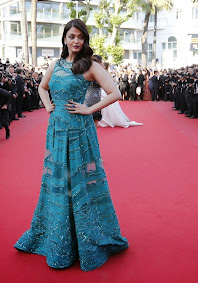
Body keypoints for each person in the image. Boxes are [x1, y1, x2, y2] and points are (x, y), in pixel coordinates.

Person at [14, 19, 129, 272]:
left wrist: (88, 109)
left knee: (78, 183)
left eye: (80, 37)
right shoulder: (55, 64)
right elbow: (43, 88)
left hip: (78, 133)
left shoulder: (90, 66)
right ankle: (58, 236)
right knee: (59, 182)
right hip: (55, 131)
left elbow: (115, 92)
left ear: (85, 40)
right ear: (64, 38)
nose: (76, 41)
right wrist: (47, 105)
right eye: (71, 36)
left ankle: (84, 239)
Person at [98, 62, 143, 128]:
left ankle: (106, 119)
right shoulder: (102, 72)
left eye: (102, 64)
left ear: (105, 67)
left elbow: (111, 81)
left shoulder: (104, 72)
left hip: (104, 90)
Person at [84, 54, 103, 126]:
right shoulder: (92, 73)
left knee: (94, 123)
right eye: (100, 62)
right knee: (90, 124)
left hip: (96, 100)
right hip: (90, 100)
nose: (102, 64)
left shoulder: (95, 72)